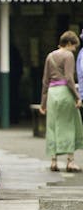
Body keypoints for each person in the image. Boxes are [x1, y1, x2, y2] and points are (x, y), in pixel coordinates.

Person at [39, 30, 83, 172]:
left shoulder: (50, 56)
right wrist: (77, 97)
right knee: (69, 125)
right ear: (69, 43)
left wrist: (43, 103)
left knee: (52, 125)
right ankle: (70, 162)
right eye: (74, 46)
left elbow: (45, 81)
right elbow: (69, 78)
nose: (75, 49)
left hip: (52, 94)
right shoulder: (68, 55)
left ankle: (53, 161)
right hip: (65, 92)